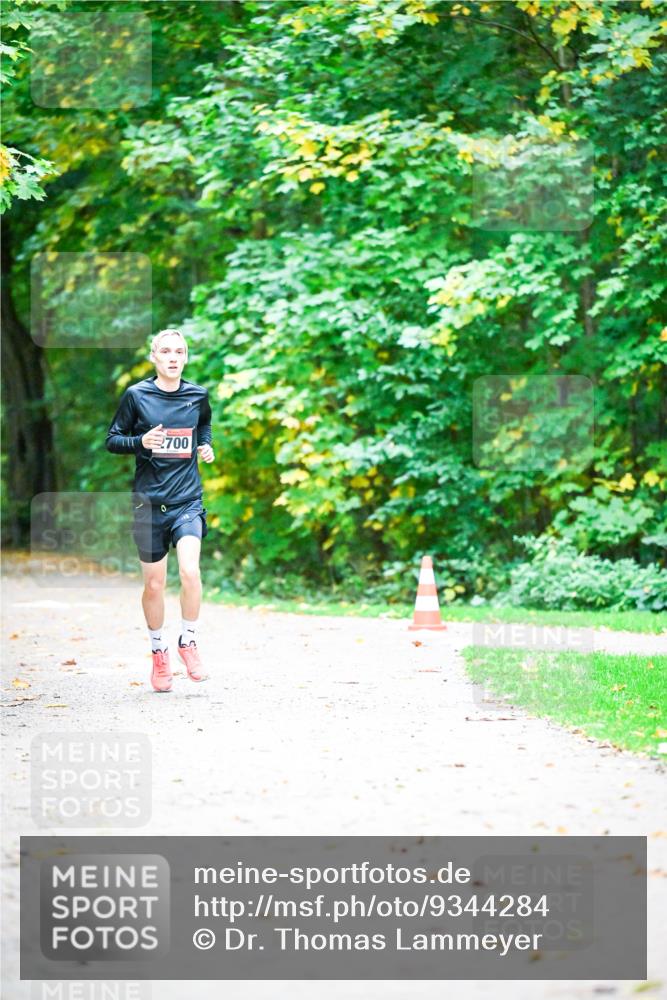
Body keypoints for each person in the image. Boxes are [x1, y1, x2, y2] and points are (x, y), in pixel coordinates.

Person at [105, 328, 215, 692]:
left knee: (189, 571)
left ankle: (188, 641)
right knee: (153, 584)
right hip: (149, 503)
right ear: (154, 356)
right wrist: (141, 441)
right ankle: (159, 652)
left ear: (185, 357)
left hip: (187, 500)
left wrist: (205, 447)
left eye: (179, 351)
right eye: (165, 351)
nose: (172, 357)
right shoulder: (137, 396)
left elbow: (204, 426)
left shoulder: (198, 395)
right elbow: (112, 440)